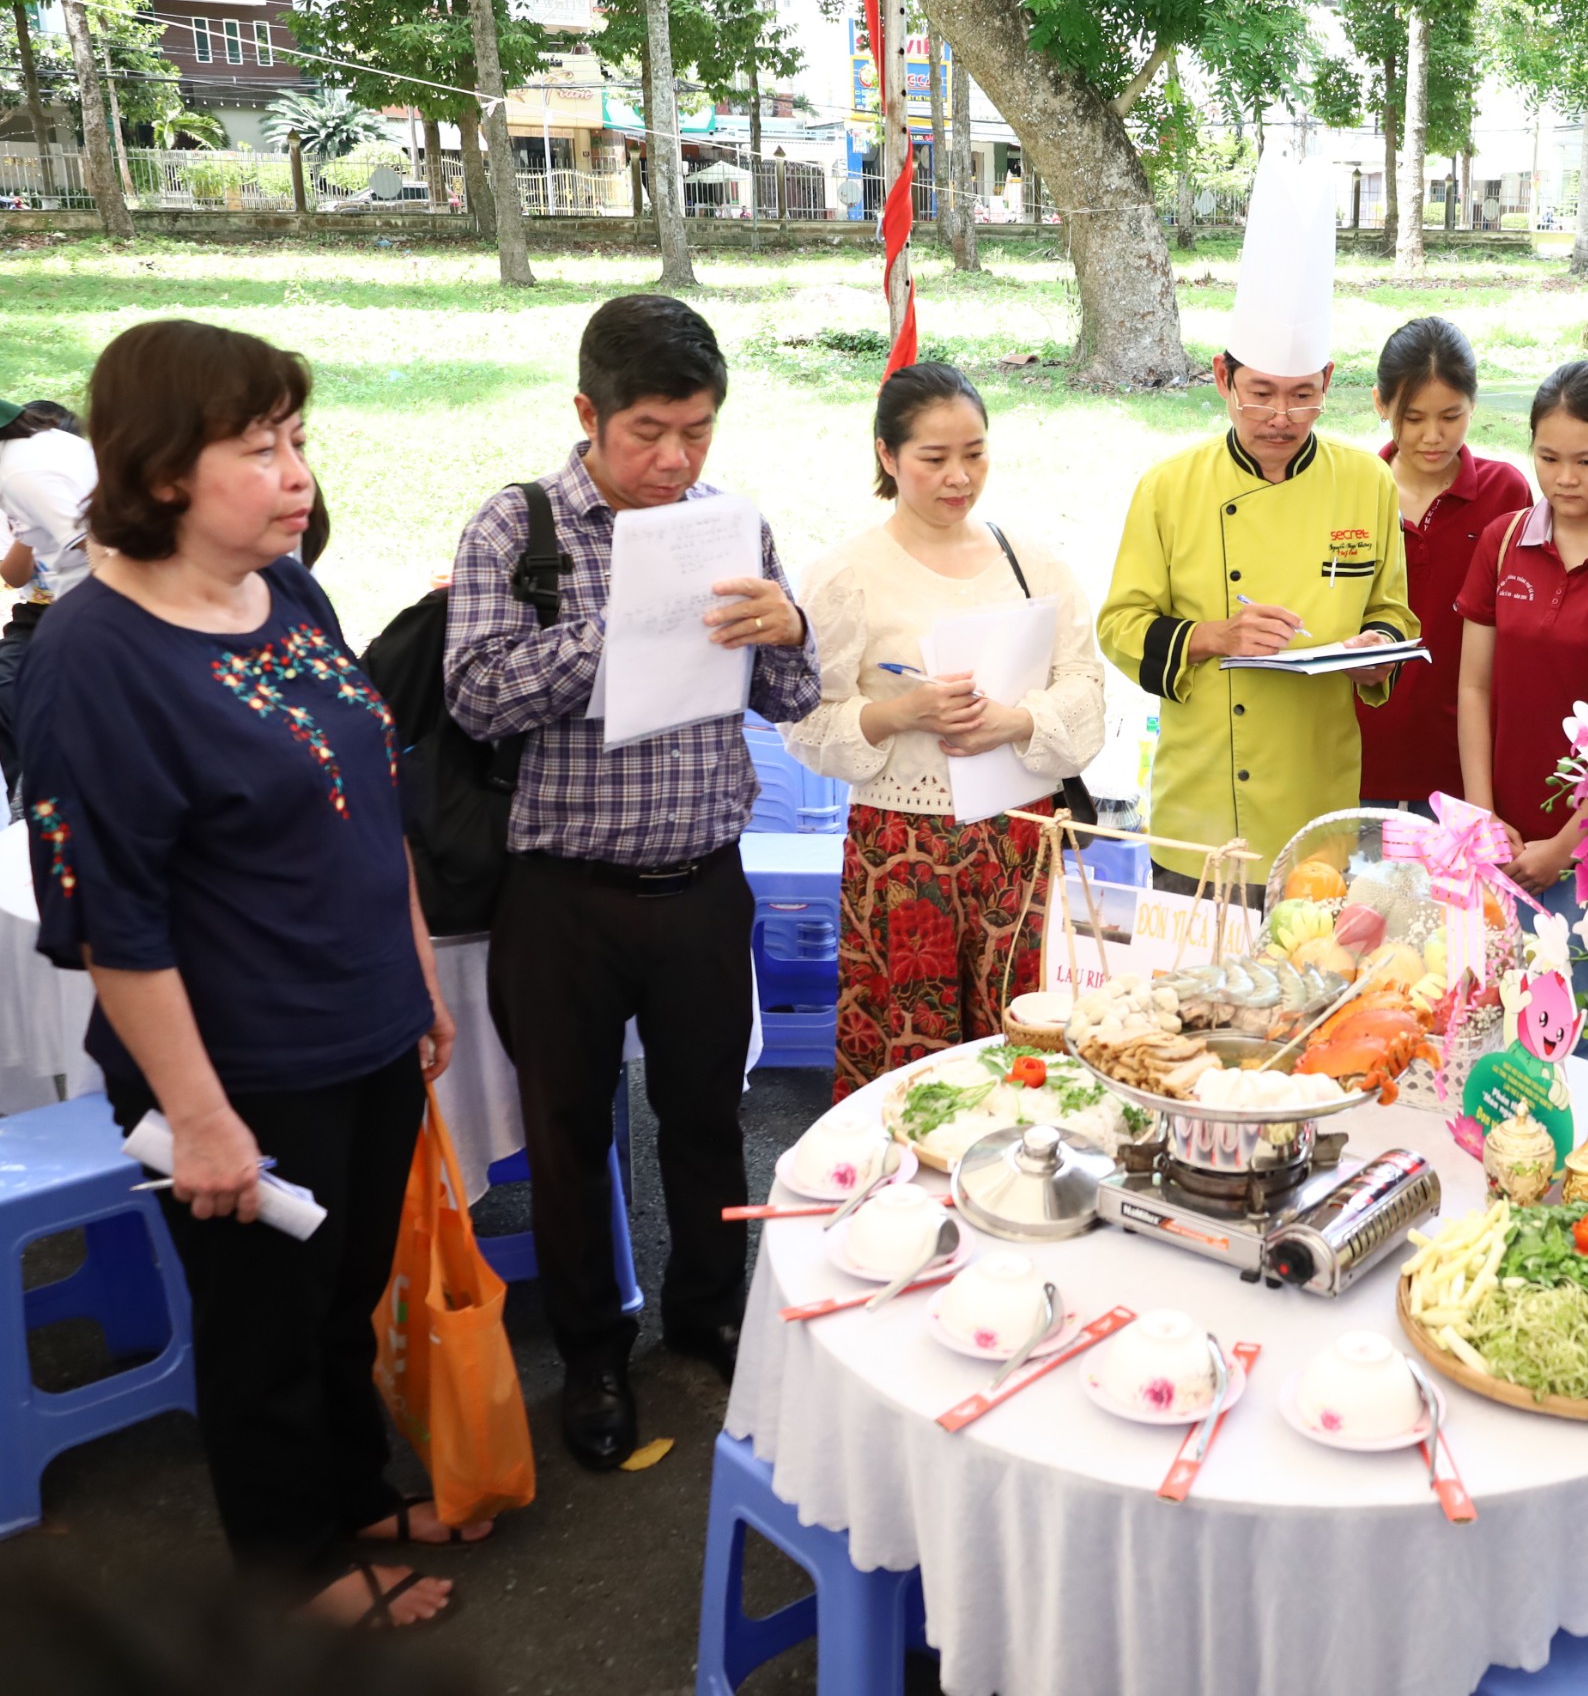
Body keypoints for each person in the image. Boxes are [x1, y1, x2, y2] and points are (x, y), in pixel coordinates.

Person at [16, 320, 466, 1629]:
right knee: (264, 1326)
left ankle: (353, 1493)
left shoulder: (290, 594)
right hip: (239, 1066)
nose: (297, 475)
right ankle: (294, 1574)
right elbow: (113, 921)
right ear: (163, 470)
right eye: (260, 448)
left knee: (343, 1296)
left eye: (298, 440)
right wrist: (199, 1114)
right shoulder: (93, 658)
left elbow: (369, 792)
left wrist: (417, 972)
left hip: (367, 1023)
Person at [444, 294, 818, 1468]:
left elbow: (795, 699)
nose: (674, 459)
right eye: (649, 432)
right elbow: (476, 695)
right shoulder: (519, 529)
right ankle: (594, 1354)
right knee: (566, 1133)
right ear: (588, 414)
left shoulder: (730, 526)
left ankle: (709, 1311)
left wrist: (788, 628)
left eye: (697, 431)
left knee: (706, 1115)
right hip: (564, 894)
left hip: (704, 880)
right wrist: (619, 626)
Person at [1100, 152, 1418, 901]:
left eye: (1303, 395)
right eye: (1261, 393)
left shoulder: (1368, 481)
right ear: (1222, 377)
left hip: (1320, 801)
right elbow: (1118, 628)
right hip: (1205, 809)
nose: (1281, 416)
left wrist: (1377, 654)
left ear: (1329, 382)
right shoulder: (1170, 487)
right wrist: (1216, 636)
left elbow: (1393, 614)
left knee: (1313, 968)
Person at [784, 362, 1104, 1091]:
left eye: (975, 453)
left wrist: (1018, 721)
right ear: (888, 455)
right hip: (903, 851)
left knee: (1020, 1039)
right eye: (934, 458)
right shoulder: (847, 574)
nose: (959, 477)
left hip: (1021, 842)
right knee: (911, 1049)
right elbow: (804, 721)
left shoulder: (1034, 563)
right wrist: (904, 713)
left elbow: (1086, 689)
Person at [1454, 360, 1588, 916]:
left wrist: (1568, 845)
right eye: (1548, 458)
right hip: (1497, 833)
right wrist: (1482, 814)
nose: (1565, 478)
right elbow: (1474, 686)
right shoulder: (1503, 541)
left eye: (1586, 461)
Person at [1357, 316, 1531, 813]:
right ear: (1380, 403)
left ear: (1474, 404)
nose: (1432, 436)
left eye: (1451, 416)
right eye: (1413, 418)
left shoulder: (1505, 493)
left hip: (1467, 766)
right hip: (1358, 755)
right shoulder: (1353, 492)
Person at [0, 397, 93, 807]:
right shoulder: (34, 459)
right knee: (8, 687)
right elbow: (14, 576)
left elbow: (98, 550)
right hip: (42, 610)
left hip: (89, 606)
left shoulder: (23, 473)